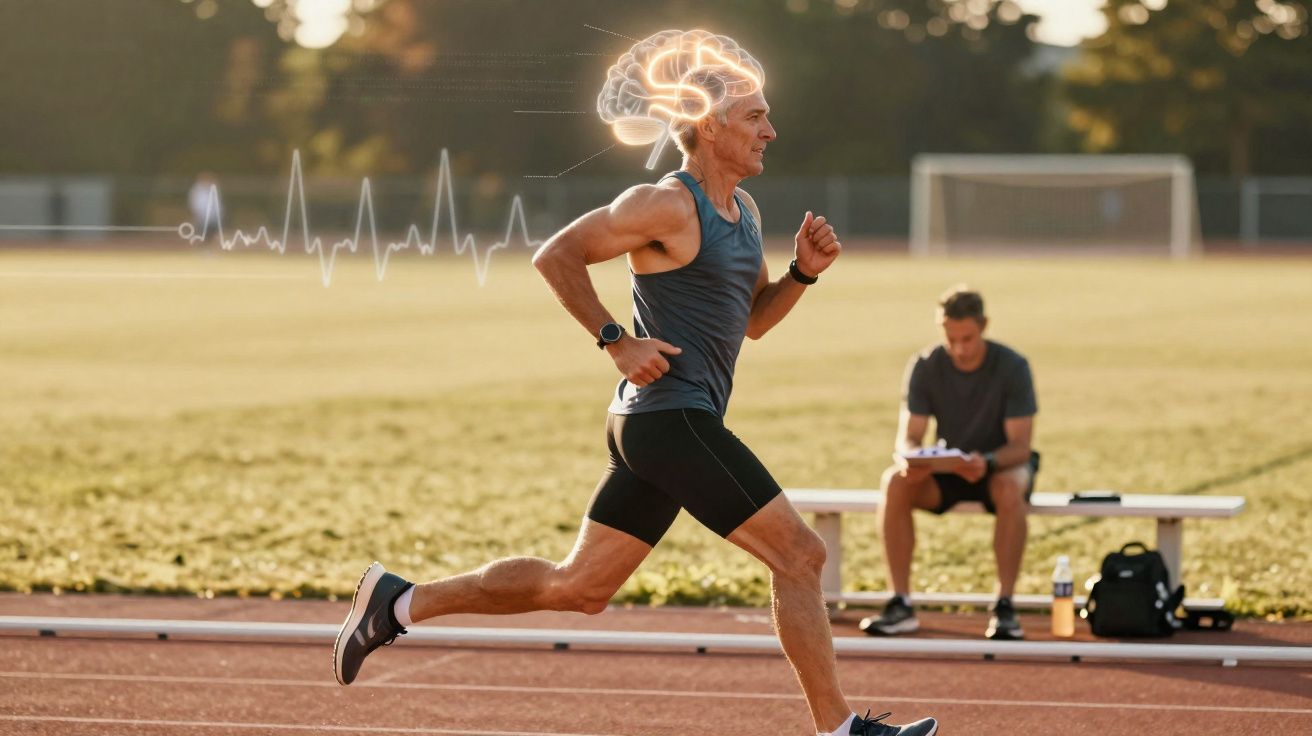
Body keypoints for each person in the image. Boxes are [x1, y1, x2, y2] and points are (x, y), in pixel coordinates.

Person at [332, 37, 937, 736]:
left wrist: (801, 274)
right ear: (709, 124)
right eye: (754, 117)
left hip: (661, 426)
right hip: (667, 420)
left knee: (578, 587)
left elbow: (754, 325)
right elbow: (556, 253)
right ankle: (839, 729)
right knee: (800, 555)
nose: (770, 131)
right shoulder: (664, 205)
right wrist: (615, 340)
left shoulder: (746, 214)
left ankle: (399, 603)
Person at [861, 286, 1038, 641]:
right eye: (950, 337)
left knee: (1008, 487)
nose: (959, 348)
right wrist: (913, 459)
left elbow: (1020, 447)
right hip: (948, 467)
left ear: (984, 325)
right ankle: (901, 602)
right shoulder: (925, 365)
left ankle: (1004, 605)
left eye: (967, 338)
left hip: (996, 467)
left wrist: (985, 462)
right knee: (894, 480)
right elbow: (909, 436)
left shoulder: (1012, 366)